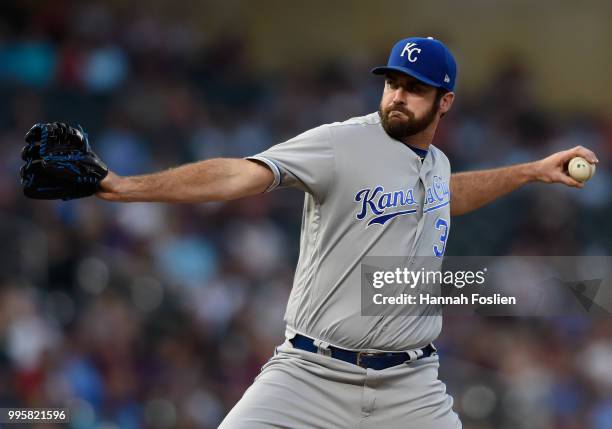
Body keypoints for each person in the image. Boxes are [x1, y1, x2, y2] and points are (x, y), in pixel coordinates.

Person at [97, 37, 598, 428]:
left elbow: (450, 193)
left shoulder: (436, 164)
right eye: (393, 83)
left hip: (410, 384)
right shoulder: (341, 143)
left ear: (444, 102)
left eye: (415, 88)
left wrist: (530, 171)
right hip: (310, 372)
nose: (399, 96)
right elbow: (241, 174)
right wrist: (124, 186)